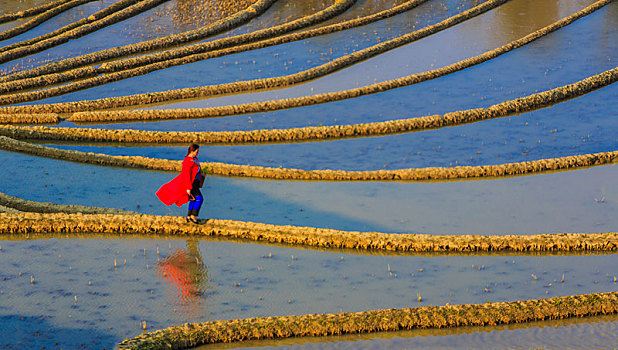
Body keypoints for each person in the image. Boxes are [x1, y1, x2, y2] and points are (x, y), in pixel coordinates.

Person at [156, 144, 205, 224]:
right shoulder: (187, 162)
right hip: (191, 184)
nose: (197, 153)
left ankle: (189, 216)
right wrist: (188, 188)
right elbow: (186, 175)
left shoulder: (194, 158)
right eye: (197, 152)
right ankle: (193, 216)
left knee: (194, 199)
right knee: (199, 199)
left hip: (195, 182)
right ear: (192, 151)